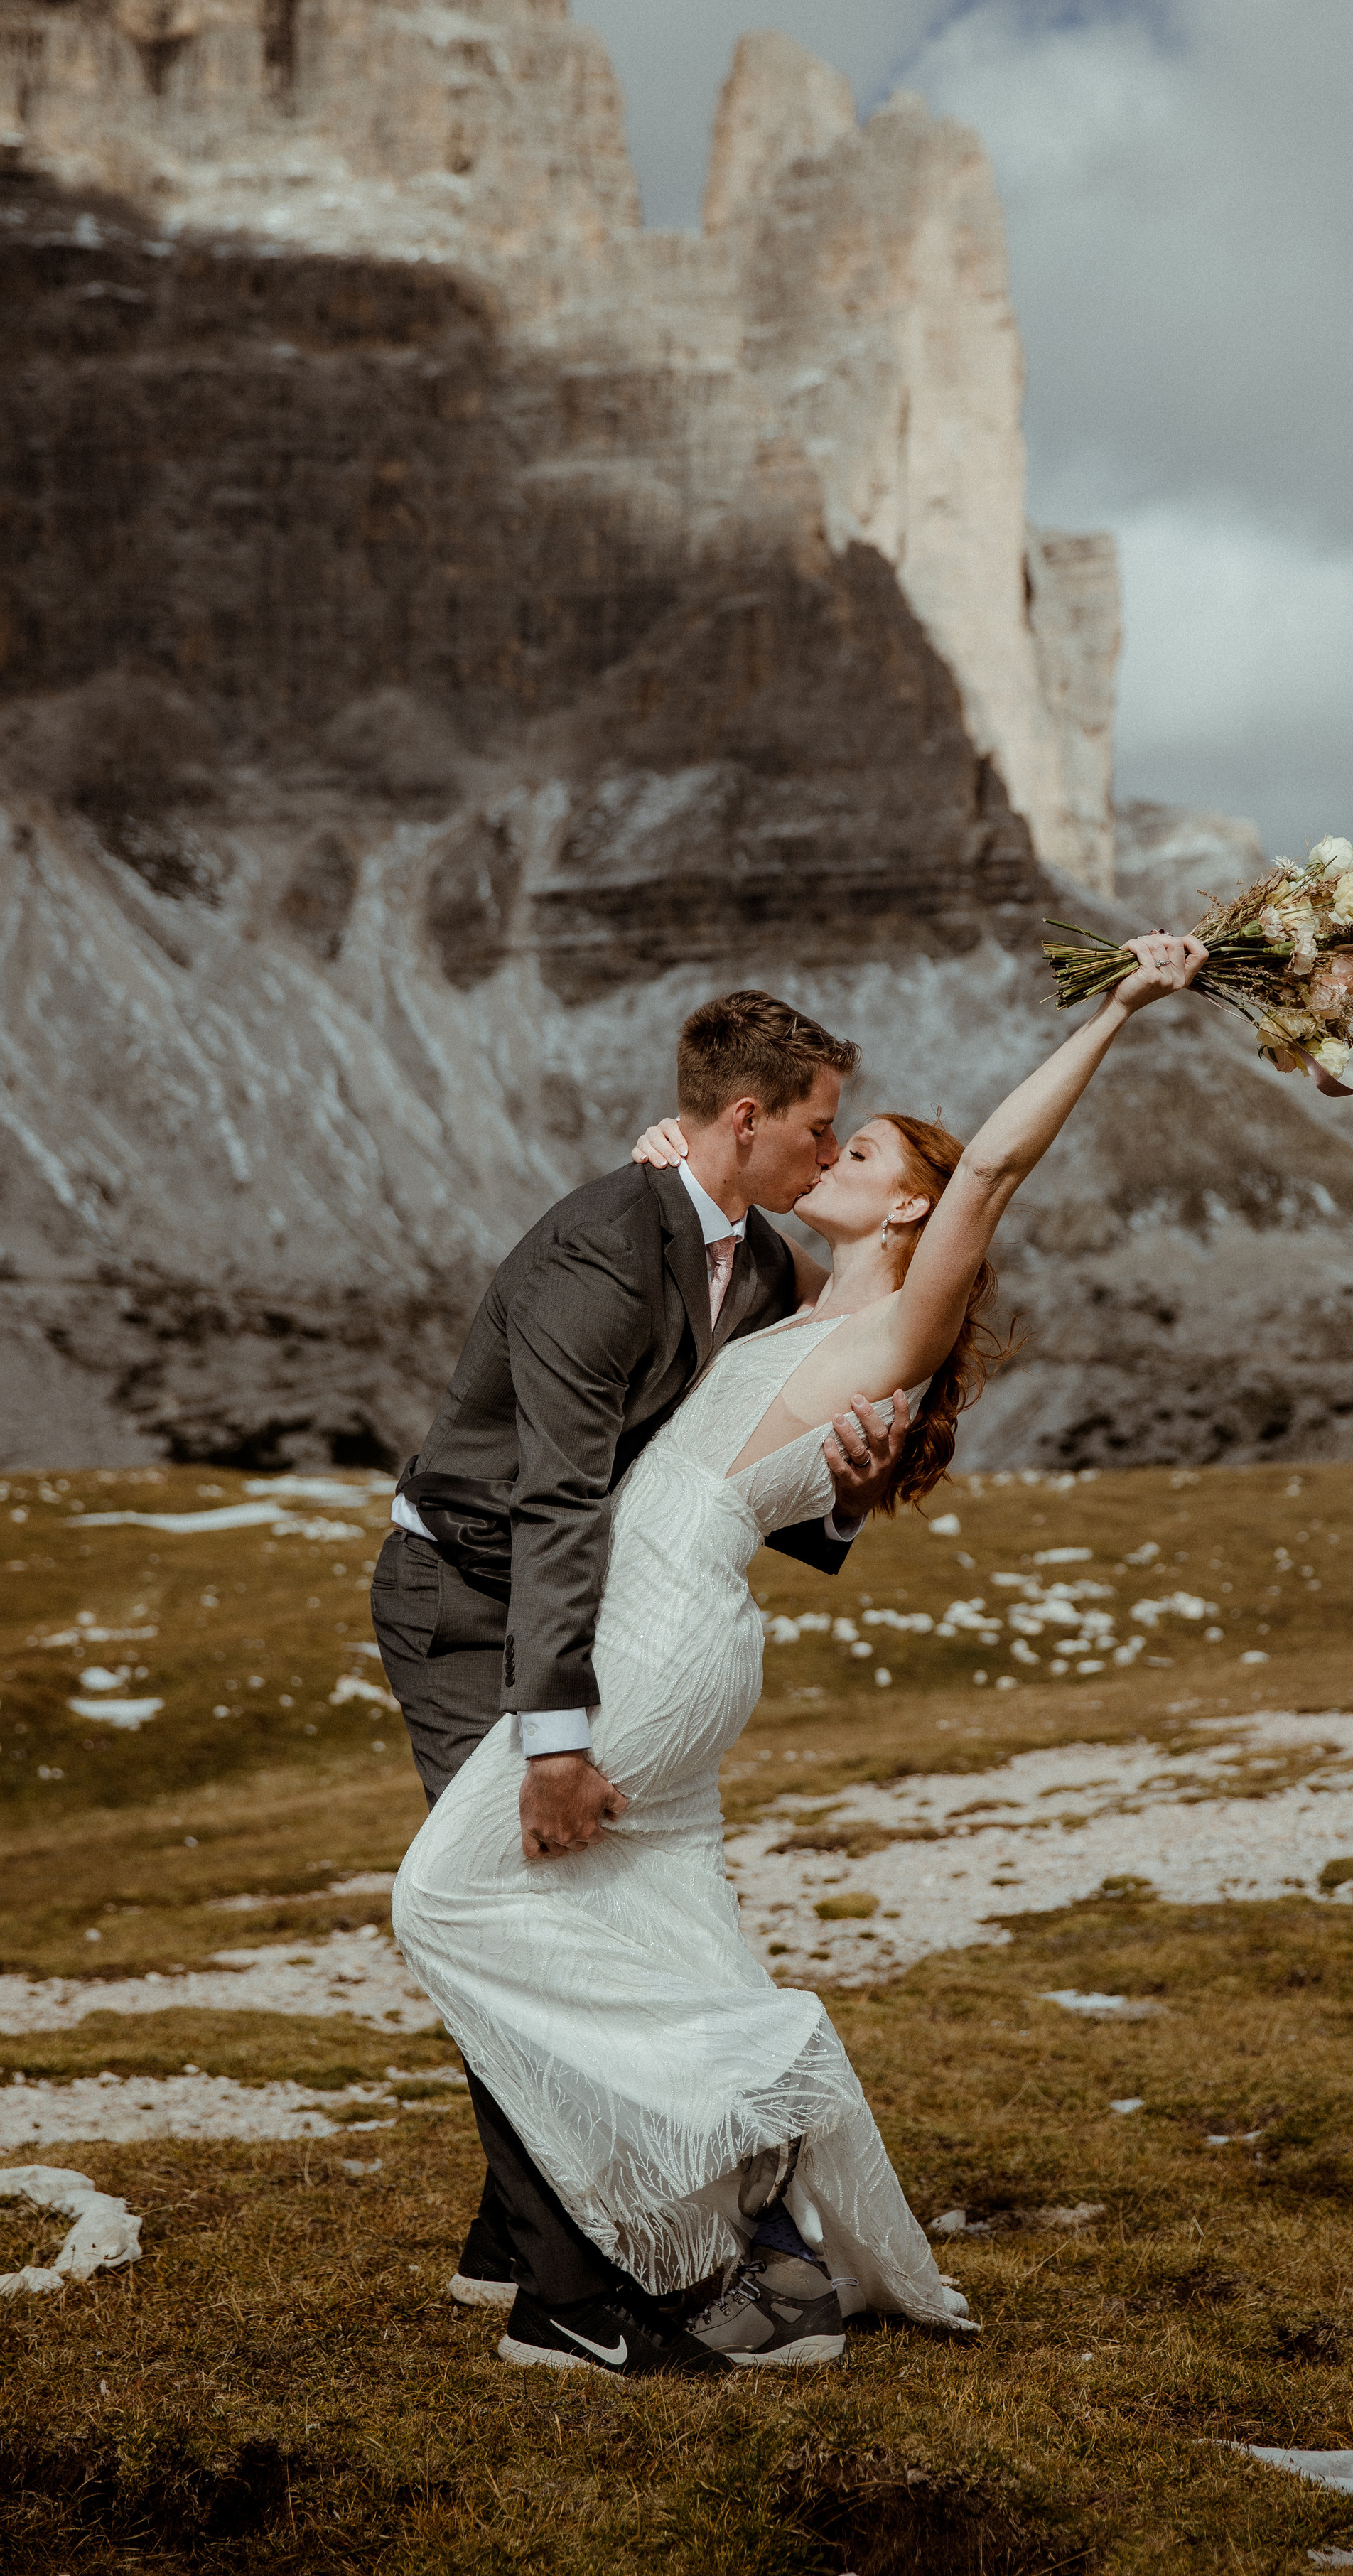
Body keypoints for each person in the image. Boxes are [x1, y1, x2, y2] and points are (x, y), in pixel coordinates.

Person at [392, 928, 1208, 2378]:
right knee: (650, 1921)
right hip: (654, 1616)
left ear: (913, 1208)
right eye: (819, 1130)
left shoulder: (901, 1307)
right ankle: (630, 2229)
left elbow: (1000, 1168)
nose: (832, 1154)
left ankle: (736, 2119)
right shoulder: (770, 1286)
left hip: (654, 1632)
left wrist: (1126, 1003)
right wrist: (687, 1171)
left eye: (865, 1149)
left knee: (446, 1903)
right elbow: (684, 1363)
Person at [371, 989, 912, 2364]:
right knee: (505, 1899)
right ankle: (569, 2306)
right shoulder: (603, 1249)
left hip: (585, 1606)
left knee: (557, 1902)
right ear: (747, 1119)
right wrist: (555, 1744)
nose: (822, 1154)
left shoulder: (767, 1268)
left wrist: (844, 1497)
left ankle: (513, 2241)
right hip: (466, 1594)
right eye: (815, 1130)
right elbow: (557, 1498)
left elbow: (723, 1459)